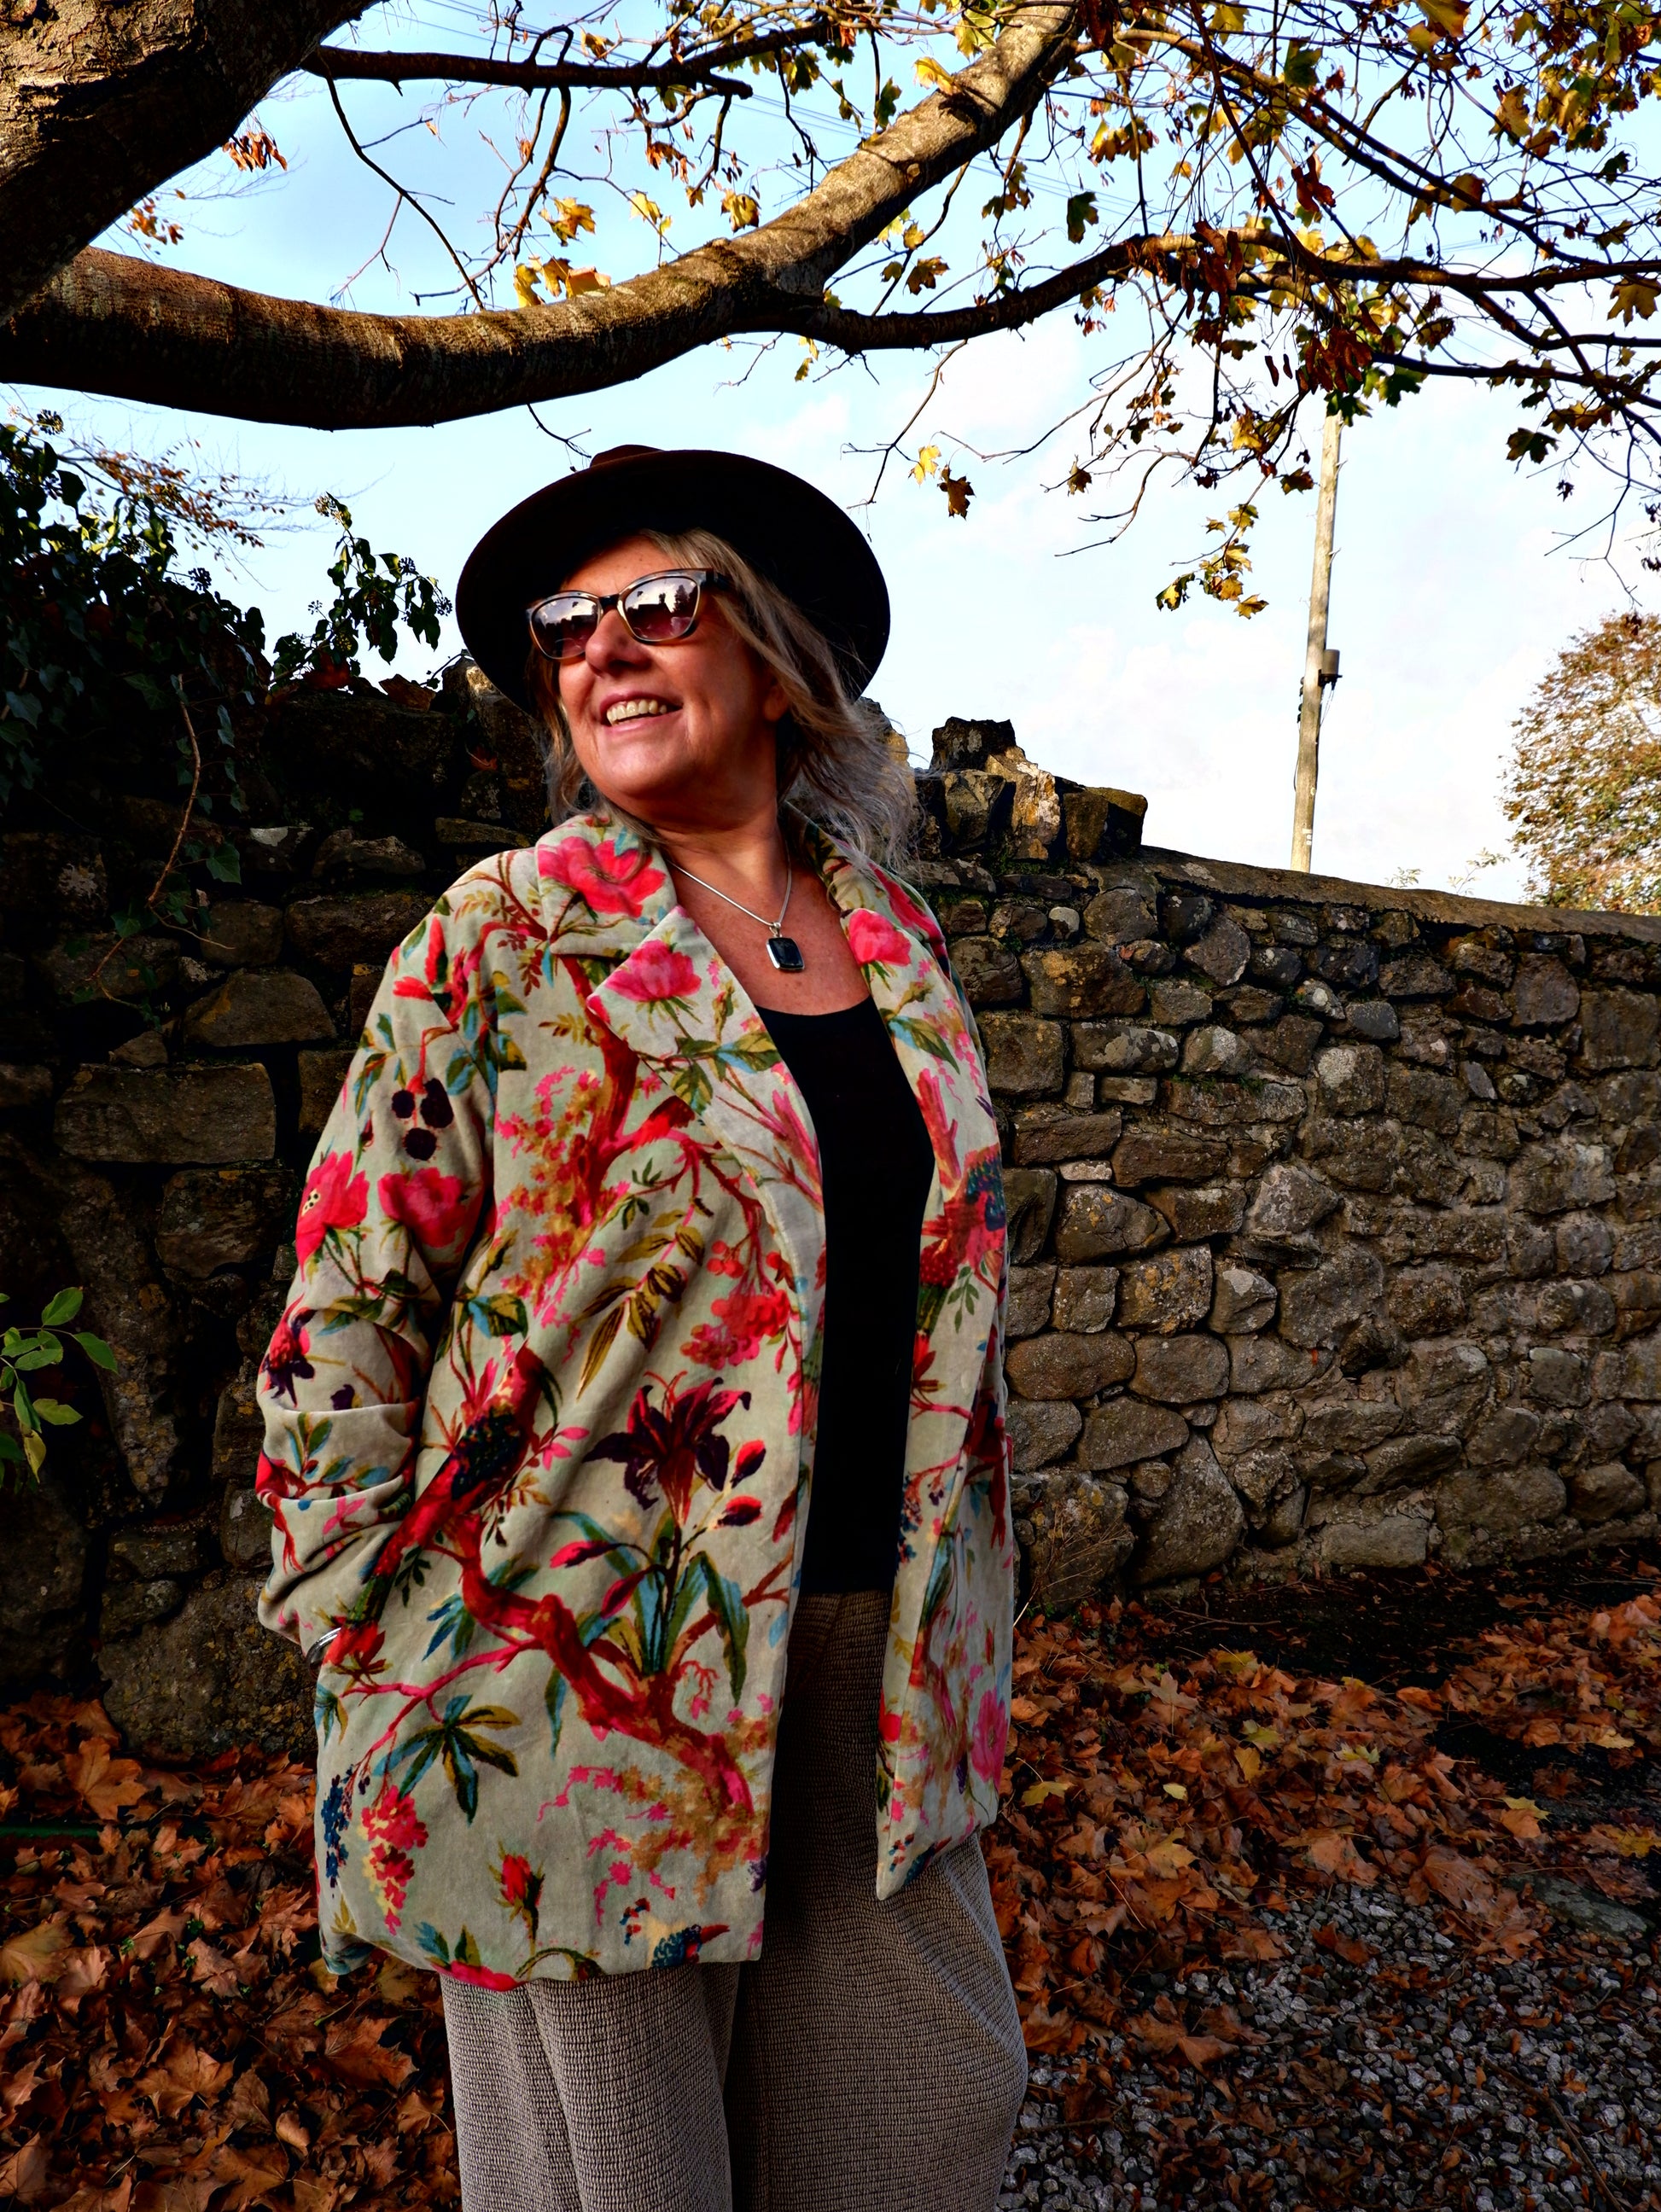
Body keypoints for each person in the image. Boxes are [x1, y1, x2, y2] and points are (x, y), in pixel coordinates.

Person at [255, 445, 1025, 2211]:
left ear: (770, 659)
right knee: (627, 2178)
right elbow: (345, 1307)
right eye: (564, 628)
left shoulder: (895, 947)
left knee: (921, 2125)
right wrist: (369, 1633)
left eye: (655, 608)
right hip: (571, 1664)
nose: (602, 651)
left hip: (871, 1662)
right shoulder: (504, 936)